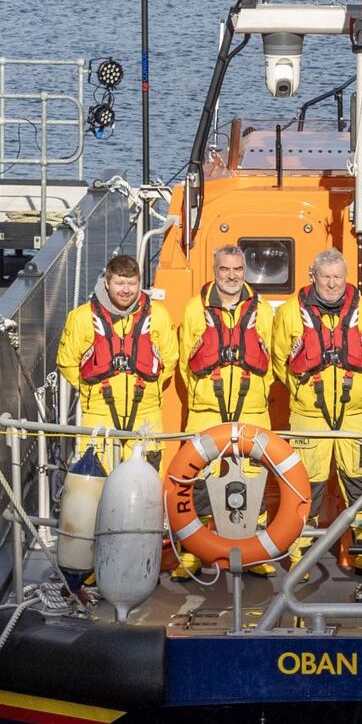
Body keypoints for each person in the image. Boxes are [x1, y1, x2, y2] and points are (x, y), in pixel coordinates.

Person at [272, 249, 362, 569]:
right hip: (309, 416)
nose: (332, 283)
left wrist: (357, 390)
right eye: (326, 276)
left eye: (338, 276)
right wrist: (302, 392)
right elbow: (280, 361)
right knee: (306, 486)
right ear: (313, 276)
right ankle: (300, 555)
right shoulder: (289, 313)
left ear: (345, 278)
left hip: (356, 415)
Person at [177, 245, 276, 576]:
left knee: (252, 478)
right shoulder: (194, 309)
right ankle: (195, 550)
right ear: (214, 270)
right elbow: (184, 364)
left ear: (244, 271)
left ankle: (254, 550)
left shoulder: (264, 311)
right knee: (201, 478)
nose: (231, 276)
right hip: (206, 408)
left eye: (237, 270)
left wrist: (258, 393)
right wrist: (202, 395)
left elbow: (272, 360)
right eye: (224, 270)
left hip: (251, 407)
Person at [57, 252, 178, 470]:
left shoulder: (159, 315)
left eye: (132, 284)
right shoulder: (81, 317)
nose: (126, 290)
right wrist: (90, 390)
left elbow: (171, 358)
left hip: (146, 413)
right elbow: (66, 361)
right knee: (96, 481)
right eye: (120, 283)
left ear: (140, 283)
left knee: (146, 483)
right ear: (107, 282)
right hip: (99, 412)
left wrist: (152, 388)